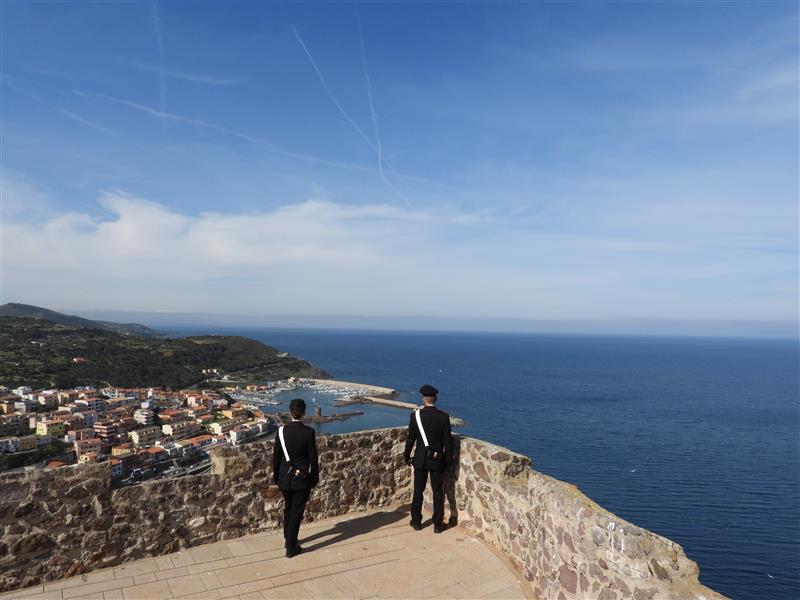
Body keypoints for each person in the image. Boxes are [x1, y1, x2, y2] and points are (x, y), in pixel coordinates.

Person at [403, 384, 454, 533]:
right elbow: (448, 441)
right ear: (435, 398)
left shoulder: (415, 416)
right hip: (437, 459)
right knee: (438, 492)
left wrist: (406, 455)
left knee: (418, 491)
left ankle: (417, 522)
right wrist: (449, 459)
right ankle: (438, 525)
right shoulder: (443, 417)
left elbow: (410, 438)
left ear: (423, 398)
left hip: (419, 460)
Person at [272, 398, 319, 557]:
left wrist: (276, 477)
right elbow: (313, 458)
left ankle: (288, 538)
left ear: (290, 411)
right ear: (304, 412)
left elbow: (276, 457)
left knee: (288, 508)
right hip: (302, 479)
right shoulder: (309, 432)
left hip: (285, 478)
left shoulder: (280, 431)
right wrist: (314, 478)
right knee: (296, 512)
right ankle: (291, 547)